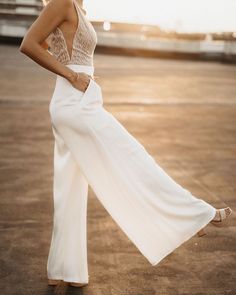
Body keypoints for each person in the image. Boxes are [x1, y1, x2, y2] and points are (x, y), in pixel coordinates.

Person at [19, 0, 233, 288]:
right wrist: (72, 73)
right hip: (74, 104)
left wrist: (73, 64)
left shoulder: (78, 6)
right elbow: (29, 43)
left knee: (69, 190)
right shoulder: (63, 1)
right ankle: (196, 216)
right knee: (133, 158)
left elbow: (48, 42)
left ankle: (64, 270)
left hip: (76, 100)